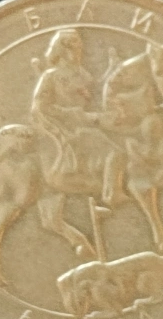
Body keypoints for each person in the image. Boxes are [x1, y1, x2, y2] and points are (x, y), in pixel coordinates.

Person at [30, 29, 124, 205]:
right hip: (68, 129)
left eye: (80, 48)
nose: (79, 52)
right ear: (63, 50)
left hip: (85, 124)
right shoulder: (51, 76)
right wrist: (72, 114)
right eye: (75, 49)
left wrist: (112, 68)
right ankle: (112, 194)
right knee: (115, 153)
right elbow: (39, 107)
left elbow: (96, 91)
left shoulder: (83, 74)